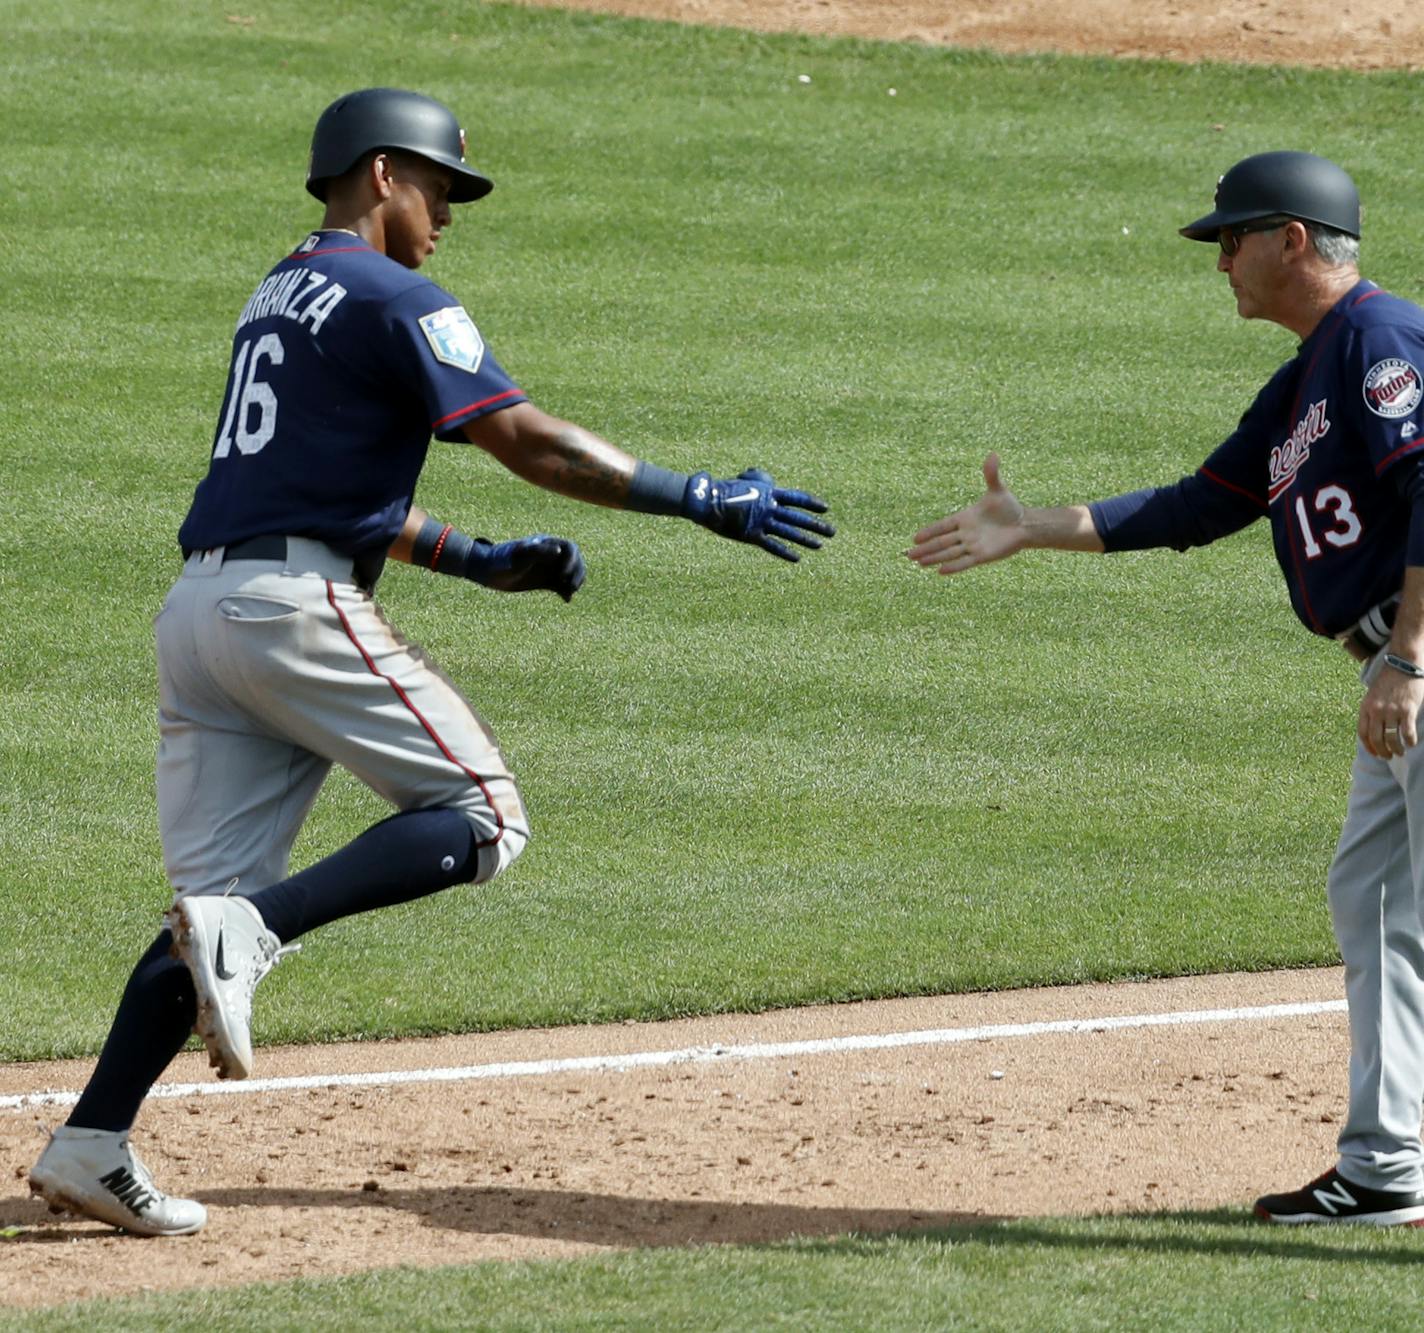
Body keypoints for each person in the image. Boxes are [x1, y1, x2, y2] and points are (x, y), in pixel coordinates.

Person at [28, 87, 834, 1237]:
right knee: (481, 813)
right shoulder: (392, 292)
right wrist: (695, 495)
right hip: (291, 610)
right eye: (440, 184)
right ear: (381, 174)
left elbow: (326, 489)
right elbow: (528, 439)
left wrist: (477, 562)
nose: (449, 210)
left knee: (204, 914)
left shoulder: (281, 294)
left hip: (203, 613)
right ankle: (249, 937)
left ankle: (91, 1141)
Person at [908, 150, 1424, 1226]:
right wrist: (1031, 525)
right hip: (1392, 669)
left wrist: (1409, 656)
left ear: (1290, 239)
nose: (1218, 261)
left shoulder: (1378, 339)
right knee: (1370, 899)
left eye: (1230, 239)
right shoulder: (1302, 375)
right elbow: (1200, 503)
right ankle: (1382, 1169)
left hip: (1412, 662)